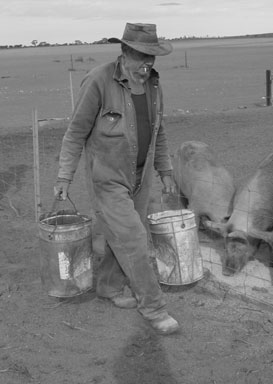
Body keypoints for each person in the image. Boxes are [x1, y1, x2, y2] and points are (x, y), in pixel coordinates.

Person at [54, 23, 180, 335]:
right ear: (124, 52)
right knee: (135, 239)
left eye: (152, 58)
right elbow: (75, 133)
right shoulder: (99, 80)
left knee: (119, 235)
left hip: (140, 178)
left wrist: (165, 172)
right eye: (141, 57)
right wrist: (64, 177)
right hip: (107, 178)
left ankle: (109, 287)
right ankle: (153, 306)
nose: (146, 65)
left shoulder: (153, 85)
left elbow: (158, 133)